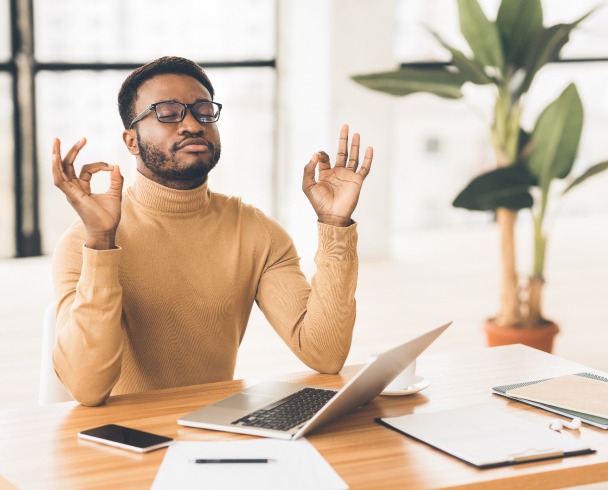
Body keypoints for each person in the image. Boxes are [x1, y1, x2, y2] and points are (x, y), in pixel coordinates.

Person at [51, 56, 373, 406]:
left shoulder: (255, 231)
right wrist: (100, 243)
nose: (192, 124)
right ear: (131, 141)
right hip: (119, 443)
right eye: (168, 113)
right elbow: (87, 388)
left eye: (203, 111)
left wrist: (335, 226)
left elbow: (324, 353)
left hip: (215, 432)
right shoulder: (83, 242)